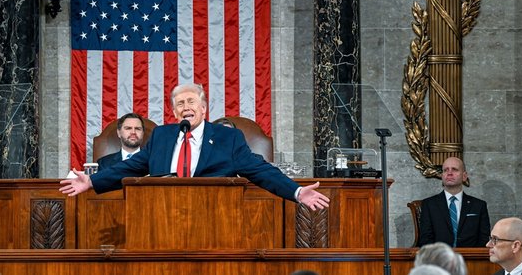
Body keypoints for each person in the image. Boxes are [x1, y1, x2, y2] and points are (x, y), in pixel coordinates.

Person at [61, 83, 329, 210]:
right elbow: (131, 166)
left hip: (213, 214)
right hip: (162, 214)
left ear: (203, 108)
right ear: (174, 112)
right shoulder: (162, 136)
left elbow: (259, 169)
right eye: (179, 103)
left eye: (191, 102)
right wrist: (93, 181)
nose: (185, 107)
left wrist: (296, 192)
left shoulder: (228, 139)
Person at [418, 157, 490, 247]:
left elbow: (484, 240)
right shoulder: (429, 205)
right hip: (438, 258)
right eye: (445, 170)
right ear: (442, 176)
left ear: (464, 176)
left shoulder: (479, 206)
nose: (449, 173)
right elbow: (426, 240)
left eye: (454, 169)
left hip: (470, 258)